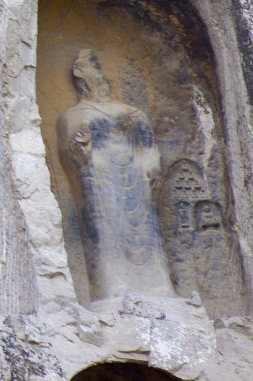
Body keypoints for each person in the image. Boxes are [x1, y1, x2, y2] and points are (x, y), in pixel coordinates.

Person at [56, 48, 174, 300]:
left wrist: (152, 166)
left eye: (96, 69)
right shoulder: (72, 116)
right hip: (100, 179)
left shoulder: (133, 113)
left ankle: (159, 286)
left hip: (137, 177)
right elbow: (71, 156)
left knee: (147, 232)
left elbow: (148, 148)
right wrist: (82, 151)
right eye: (87, 71)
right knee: (104, 231)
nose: (96, 79)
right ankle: (111, 286)